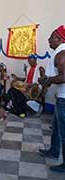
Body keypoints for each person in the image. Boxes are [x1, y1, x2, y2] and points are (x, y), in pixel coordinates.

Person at [38, 25, 65, 173]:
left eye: (51, 37)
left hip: (64, 99)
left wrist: (48, 80)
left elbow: (64, 77)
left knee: (63, 132)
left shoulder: (61, 54)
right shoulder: (60, 53)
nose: (49, 40)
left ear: (59, 39)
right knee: (56, 128)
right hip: (60, 98)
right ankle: (53, 151)